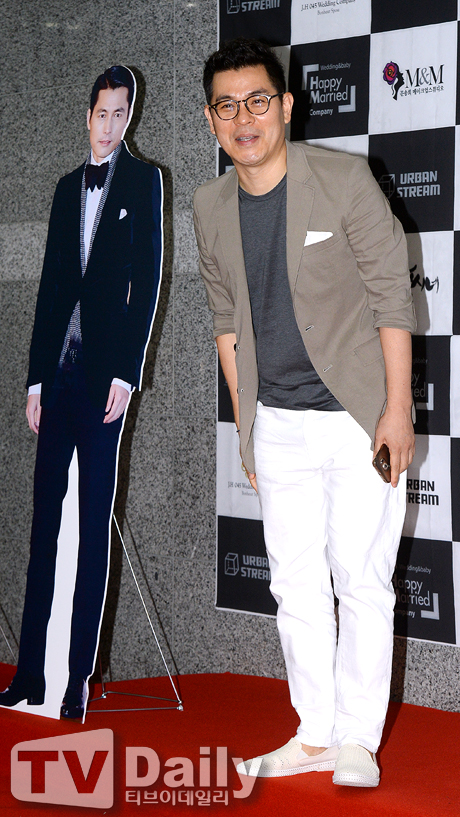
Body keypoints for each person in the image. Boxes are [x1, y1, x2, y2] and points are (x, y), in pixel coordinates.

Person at [194, 38, 416, 788]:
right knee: (294, 583)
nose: (244, 118)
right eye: (227, 106)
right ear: (211, 120)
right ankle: (314, 732)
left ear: (286, 106)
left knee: (362, 579)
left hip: (356, 417)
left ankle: (358, 739)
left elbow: (392, 299)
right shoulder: (208, 207)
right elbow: (227, 325)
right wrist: (246, 427)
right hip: (278, 423)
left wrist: (396, 410)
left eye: (258, 100)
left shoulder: (343, 180)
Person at [0, 66, 163, 719]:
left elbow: (148, 280)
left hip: (104, 385)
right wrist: (35, 379)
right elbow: (49, 286)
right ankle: (29, 675)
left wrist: (127, 372)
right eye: (102, 112)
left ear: (130, 118)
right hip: (59, 381)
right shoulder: (68, 187)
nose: (109, 124)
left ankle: (76, 681)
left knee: (94, 528)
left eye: (121, 113)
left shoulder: (144, 181)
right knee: (44, 528)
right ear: (87, 114)